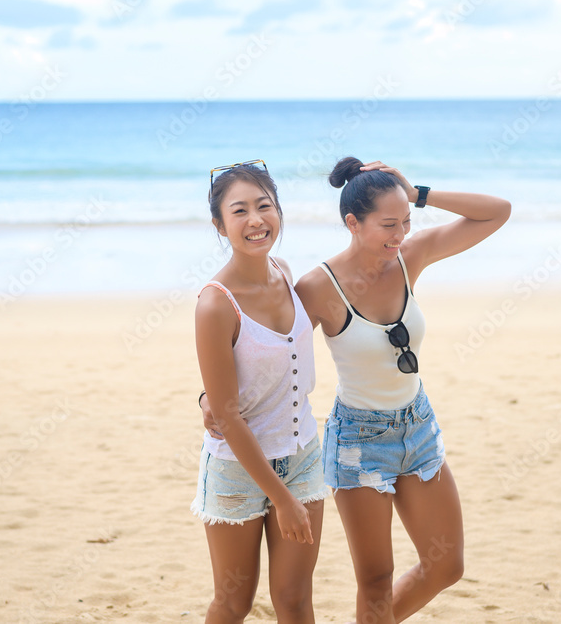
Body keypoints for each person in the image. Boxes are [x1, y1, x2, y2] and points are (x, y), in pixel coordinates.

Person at [293, 157, 511, 623]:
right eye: (388, 224)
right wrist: (214, 397)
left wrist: (417, 193)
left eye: (407, 222)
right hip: (358, 441)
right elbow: (277, 354)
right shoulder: (318, 287)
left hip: (418, 427)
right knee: (375, 581)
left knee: (446, 566)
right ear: (352, 223)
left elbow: (498, 211)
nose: (401, 234)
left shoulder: (410, 258)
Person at [193, 160, 328, 624]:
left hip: (303, 454)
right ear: (220, 225)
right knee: (234, 603)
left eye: (264, 206)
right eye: (240, 211)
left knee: (294, 601)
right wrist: (284, 500)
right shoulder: (214, 304)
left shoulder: (285, 272)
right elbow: (227, 416)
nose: (255, 220)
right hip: (236, 469)